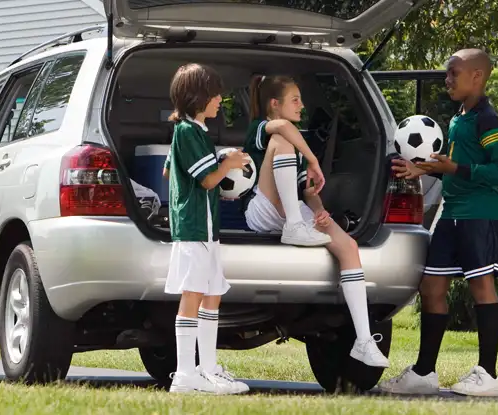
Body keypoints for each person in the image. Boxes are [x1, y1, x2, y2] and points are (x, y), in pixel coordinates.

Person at [379, 48, 498, 397]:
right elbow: (450, 165)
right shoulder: (459, 118)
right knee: (431, 288)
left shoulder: (488, 120)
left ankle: (488, 374)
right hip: (452, 214)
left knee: (481, 288)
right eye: (447, 73)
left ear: (477, 76)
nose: (447, 79)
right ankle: (424, 372)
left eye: (454, 73)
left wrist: (453, 169)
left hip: (480, 216)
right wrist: (420, 169)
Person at [242, 75, 389, 369]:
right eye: (295, 99)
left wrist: (320, 211)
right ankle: (295, 227)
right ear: (275, 104)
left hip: (292, 210)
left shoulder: (296, 148)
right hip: (262, 209)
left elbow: (308, 192)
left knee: (347, 246)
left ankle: (363, 340)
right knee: (282, 139)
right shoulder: (260, 129)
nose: (302, 105)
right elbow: (282, 127)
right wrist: (313, 158)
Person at [164, 62, 250, 395]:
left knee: (212, 295)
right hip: (193, 230)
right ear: (198, 96)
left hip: (207, 231)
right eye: (215, 95)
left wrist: (216, 165)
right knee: (193, 295)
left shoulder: (194, 132)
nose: (219, 100)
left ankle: (208, 369)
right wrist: (226, 164)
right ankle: (185, 374)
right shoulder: (186, 132)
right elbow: (208, 180)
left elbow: (169, 173)